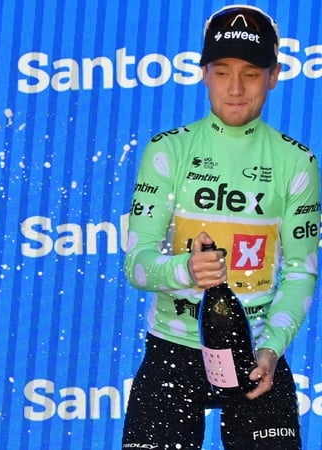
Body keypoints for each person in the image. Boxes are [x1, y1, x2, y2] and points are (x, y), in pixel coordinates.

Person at [122, 5, 319, 449]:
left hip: (255, 357)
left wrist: (271, 349)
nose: (234, 88)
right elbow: (136, 265)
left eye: (250, 73)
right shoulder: (166, 151)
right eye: (222, 71)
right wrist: (184, 272)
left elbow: (303, 272)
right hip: (171, 352)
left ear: (274, 76)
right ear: (203, 72)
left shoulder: (297, 162)